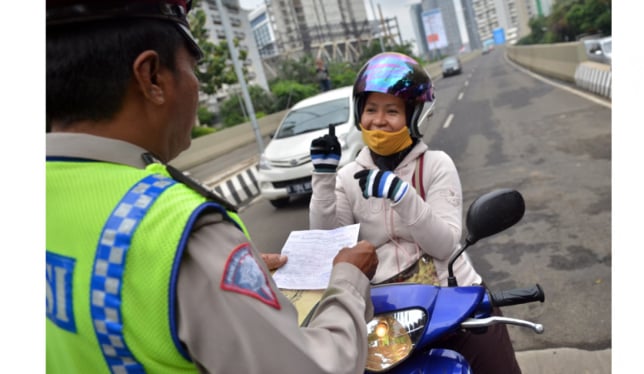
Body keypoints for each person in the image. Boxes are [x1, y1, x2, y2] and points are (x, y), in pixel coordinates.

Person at [46, 1, 379, 373]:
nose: (197, 86)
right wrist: (349, 279)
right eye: (193, 67)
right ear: (152, 77)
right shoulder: (176, 229)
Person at [308, 51, 521, 373]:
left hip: (451, 303)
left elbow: (445, 245)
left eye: (392, 111)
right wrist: (323, 179)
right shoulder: (348, 176)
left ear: (414, 117)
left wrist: (402, 194)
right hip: (387, 314)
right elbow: (329, 244)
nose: (378, 120)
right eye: (370, 109)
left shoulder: (436, 165)